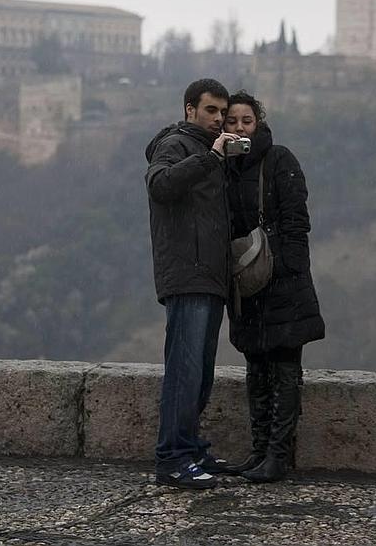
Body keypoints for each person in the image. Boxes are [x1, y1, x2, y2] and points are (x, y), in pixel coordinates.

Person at [223, 90, 325, 483]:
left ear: (259, 122)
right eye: (231, 122)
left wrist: (287, 266)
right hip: (247, 283)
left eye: (246, 121)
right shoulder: (224, 167)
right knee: (255, 368)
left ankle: (278, 456)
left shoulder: (280, 159)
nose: (238, 128)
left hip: (282, 282)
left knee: (284, 368)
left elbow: (297, 220)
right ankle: (258, 450)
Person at [145, 78, 239, 489]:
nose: (218, 120)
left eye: (222, 113)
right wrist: (209, 159)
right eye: (210, 111)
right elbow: (160, 186)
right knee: (183, 371)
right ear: (189, 110)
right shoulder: (177, 145)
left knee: (200, 372)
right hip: (187, 273)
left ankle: (190, 448)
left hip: (211, 275)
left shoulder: (209, 151)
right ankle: (172, 458)